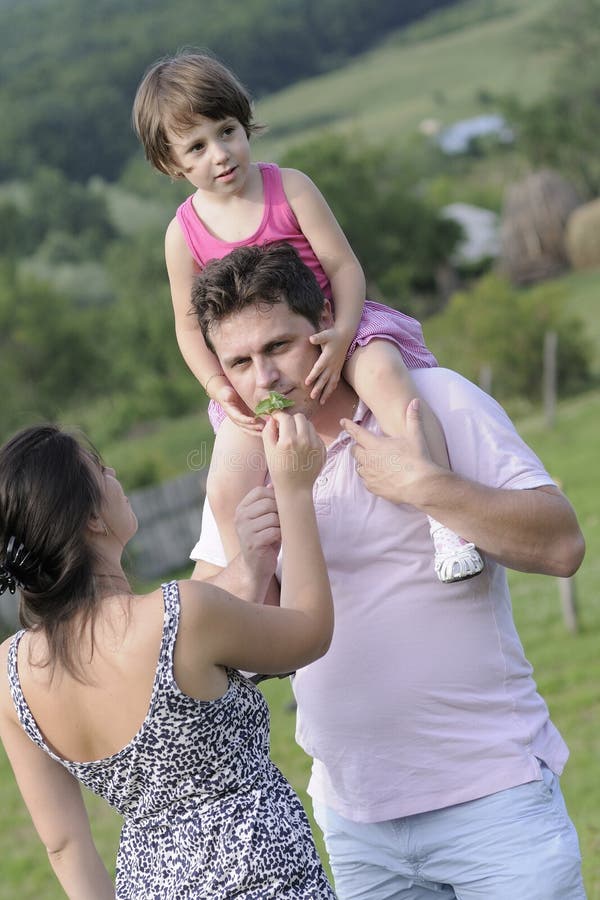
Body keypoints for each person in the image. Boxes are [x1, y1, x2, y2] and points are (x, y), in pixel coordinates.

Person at [189, 242, 587, 900]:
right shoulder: (248, 465)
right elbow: (208, 622)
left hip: (493, 803)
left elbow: (562, 544)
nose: (263, 379)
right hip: (357, 824)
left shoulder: (432, 403)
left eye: (279, 346)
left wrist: (428, 486)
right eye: (239, 362)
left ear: (326, 326)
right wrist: (249, 562)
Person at [131, 49, 484, 584]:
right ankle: (256, 585)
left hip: (338, 324)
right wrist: (217, 383)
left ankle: (447, 518)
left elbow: (343, 267)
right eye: (197, 147)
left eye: (227, 131)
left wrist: (342, 337)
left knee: (391, 386)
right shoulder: (182, 234)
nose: (221, 154)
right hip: (256, 368)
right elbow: (186, 326)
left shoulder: (289, 187)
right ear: (170, 164)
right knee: (226, 480)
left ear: (245, 121)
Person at [0, 420, 337, 898]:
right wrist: (295, 489)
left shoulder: (9, 673)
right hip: (266, 881)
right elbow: (310, 630)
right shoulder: (178, 614)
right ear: (92, 519)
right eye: (100, 469)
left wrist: (249, 563)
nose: (113, 470)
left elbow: (65, 846)